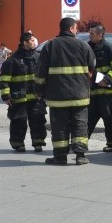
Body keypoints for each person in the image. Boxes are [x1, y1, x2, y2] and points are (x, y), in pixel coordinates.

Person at [35, 17, 96, 166]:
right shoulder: (83, 46)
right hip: (79, 95)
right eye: (76, 28)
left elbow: (40, 72)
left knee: (59, 127)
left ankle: (60, 157)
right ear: (70, 29)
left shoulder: (50, 46)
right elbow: (92, 65)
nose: (77, 30)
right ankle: (80, 156)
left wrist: (39, 90)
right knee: (80, 124)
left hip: (58, 96)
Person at [0, 31, 47, 152]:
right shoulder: (13, 60)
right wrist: (6, 96)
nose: (34, 43)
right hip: (19, 98)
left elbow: (44, 76)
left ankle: (38, 142)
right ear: (25, 43)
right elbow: (4, 80)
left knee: (38, 119)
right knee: (18, 121)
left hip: (36, 97)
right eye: (31, 41)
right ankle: (18, 143)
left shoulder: (38, 57)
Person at [86, 25, 112, 152]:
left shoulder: (109, 48)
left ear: (100, 35)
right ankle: (80, 145)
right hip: (93, 93)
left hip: (108, 93)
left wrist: (107, 80)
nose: (89, 35)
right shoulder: (88, 48)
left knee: (111, 119)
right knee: (87, 120)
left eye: (92, 33)